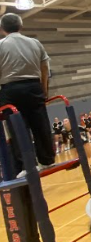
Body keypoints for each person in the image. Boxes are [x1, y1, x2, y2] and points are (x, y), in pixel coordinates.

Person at [0, 13, 54, 177]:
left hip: (10, 90)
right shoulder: (35, 43)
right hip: (33, 87)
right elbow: (45, 68)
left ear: (2, 29)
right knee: (40, 124)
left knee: (17, 128)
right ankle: (47, 159)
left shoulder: (0, 45)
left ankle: (26, 165)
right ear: (21, 26)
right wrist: (44, 89)